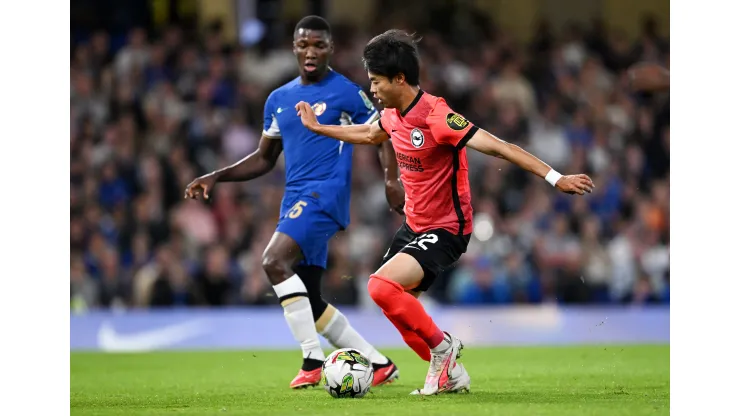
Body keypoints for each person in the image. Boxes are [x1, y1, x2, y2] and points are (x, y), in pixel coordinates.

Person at [295, 29, 595, 396]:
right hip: (414, 226)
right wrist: (318, 128)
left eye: (376, 82)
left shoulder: (437, 116)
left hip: (449, 228)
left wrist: (555, 176)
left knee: (380, 286)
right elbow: (371, 134)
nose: (372, 90)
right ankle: (452, 374)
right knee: (394, 307)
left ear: (399, 79)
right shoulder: (392, 114)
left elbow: (499, 147)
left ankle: (443, 351)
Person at [184, 17, 403, 389]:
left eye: (319, 45)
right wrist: (216, 175)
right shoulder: (279, 99)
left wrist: (391, 179)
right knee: (310, 299)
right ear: (294, 48)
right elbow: (264, 158)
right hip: (295, 201)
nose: (311, 52)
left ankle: (311, 358)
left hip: (325, 195)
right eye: (304, 45)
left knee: (272, 262)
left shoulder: (347, 92)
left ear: (330, 48)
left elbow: (382, 132)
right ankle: (378, 363)